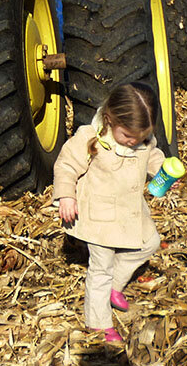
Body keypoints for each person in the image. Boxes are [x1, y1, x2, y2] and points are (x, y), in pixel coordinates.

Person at [53, 82, 168, 343]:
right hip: (99, 216)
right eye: (128, 136)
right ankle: (98, 323)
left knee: (149, 243)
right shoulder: (90, 136)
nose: (133, 141)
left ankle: (115, 285)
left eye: (139, 138)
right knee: (100, 270)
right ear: (109, 119)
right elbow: (66, 165)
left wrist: (163, 171)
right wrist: (66, 196)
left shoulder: (142, 138)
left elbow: (152, 155)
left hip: (130, 210)